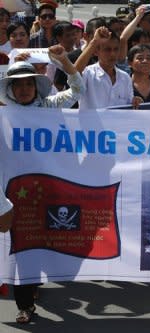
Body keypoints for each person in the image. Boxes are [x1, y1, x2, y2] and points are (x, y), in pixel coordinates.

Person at [0, 46, 84, 324]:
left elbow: (78, 90)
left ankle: (33, 287)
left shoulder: (47, 107)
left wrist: (64, 60)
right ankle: (25, 304)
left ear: (37, 85)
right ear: (9, 89)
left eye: (28, 83)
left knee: (41, 242)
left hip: (47, 189)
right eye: (17, 85)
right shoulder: (3, 113)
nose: (23, 89)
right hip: (13, 193)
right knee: (21, 246)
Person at [77, 27, 141, 110]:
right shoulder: (87, 73)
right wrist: (95, 41)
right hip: (91, 123)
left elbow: (129, 106)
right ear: (96, 51)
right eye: (107, 49)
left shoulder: (125, 77)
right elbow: (74, 72)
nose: (112, 54)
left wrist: (135, 101)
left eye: (116, 49)